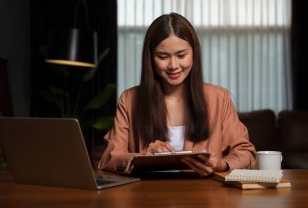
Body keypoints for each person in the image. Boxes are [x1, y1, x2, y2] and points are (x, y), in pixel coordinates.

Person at [98, 13, 256, 176]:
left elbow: (246, 153)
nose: (173, 65)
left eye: (181, 55)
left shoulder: (219, 98)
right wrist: (142, 158)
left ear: (194, 54)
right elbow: (108, 160)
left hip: (206, 196)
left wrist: (221, 164)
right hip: (145, 196)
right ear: (150, 58)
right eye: (163, 56)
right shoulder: (130, 100)